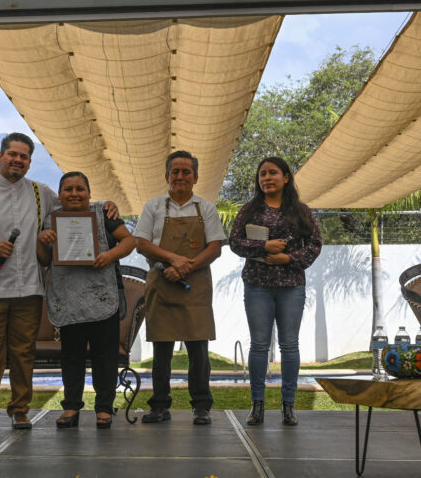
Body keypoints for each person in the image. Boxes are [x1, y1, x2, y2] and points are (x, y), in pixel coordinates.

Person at [0, 133, 118, 431]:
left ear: (29, 162)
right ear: (0, 157)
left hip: (29, 287)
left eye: (24, 156)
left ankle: (20, 409)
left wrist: (107, 205)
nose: (17, 160)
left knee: (23, 351)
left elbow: (75, 203)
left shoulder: (41, 192)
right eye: (12, 154)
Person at [36, 172, 135, 429]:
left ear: (89, 193)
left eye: (80, 188)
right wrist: (41, 240)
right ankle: (71, 407)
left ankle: (103, 408)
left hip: (102, 298)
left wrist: (110, 255)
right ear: (60, 195)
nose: (74, 193)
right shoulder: (50, 220)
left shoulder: (104, 214)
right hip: (68, 299)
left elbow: (129, 240)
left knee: (105, 356)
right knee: (72, 356)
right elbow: (45, 260)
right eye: (68, 189)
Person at [133, 150, 225, 425]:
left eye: (186, 172)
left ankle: (201, 406)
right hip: (161, 284)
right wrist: (172, 260)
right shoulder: (153, 207)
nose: (181, 176)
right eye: (176, 171)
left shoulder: (206, 208)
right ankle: (160, 405)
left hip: (195, 286)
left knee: (199, 350)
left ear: (195, 177)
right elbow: (142, 243)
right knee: (162, 350)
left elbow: (215, 247)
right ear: (167, 176)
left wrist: (187, 266)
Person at [228, 157, 321, 426]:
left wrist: (288, 259)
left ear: (286, 177)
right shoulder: (249, 210)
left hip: (291, 287)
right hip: (257, 285)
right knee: (259, 345)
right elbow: (235, 242)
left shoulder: (301, 210)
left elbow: (315, 245)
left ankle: (288, 406)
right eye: (262, 174)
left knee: (289, 345)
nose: (266, 178)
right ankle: (257, 406)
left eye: (272, 173)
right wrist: (264, 248)